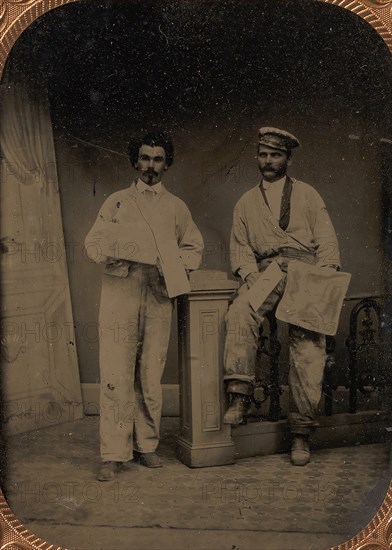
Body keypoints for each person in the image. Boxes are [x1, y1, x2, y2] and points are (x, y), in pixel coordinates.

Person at [85, 132, 203, 481]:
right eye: (145, 158)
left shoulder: (176, 207)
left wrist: (170, 263)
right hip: (120, 288)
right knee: (116, 370)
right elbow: (93, 244)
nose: (151, 165)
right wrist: (115, 250)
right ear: (135, 161)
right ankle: (113, 453)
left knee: (150, 372)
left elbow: (193, 249)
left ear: (167, 163)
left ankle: (146, 446)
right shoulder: (117, 202)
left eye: (158, 159)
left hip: (158, 291)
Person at [223, 126, 341, 466]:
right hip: (267, 272)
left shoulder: (308, 195)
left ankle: (301, 435)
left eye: (276, 154)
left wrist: (327, 273)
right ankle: (239, 396)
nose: (269, 161)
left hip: (305, 272)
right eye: (263, 154)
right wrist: (250, 276)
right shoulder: (245, 202)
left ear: (288, 158)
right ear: (257, 157)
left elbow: (327, 239)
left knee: (306, 344)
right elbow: (241, 249)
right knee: (240, 310)